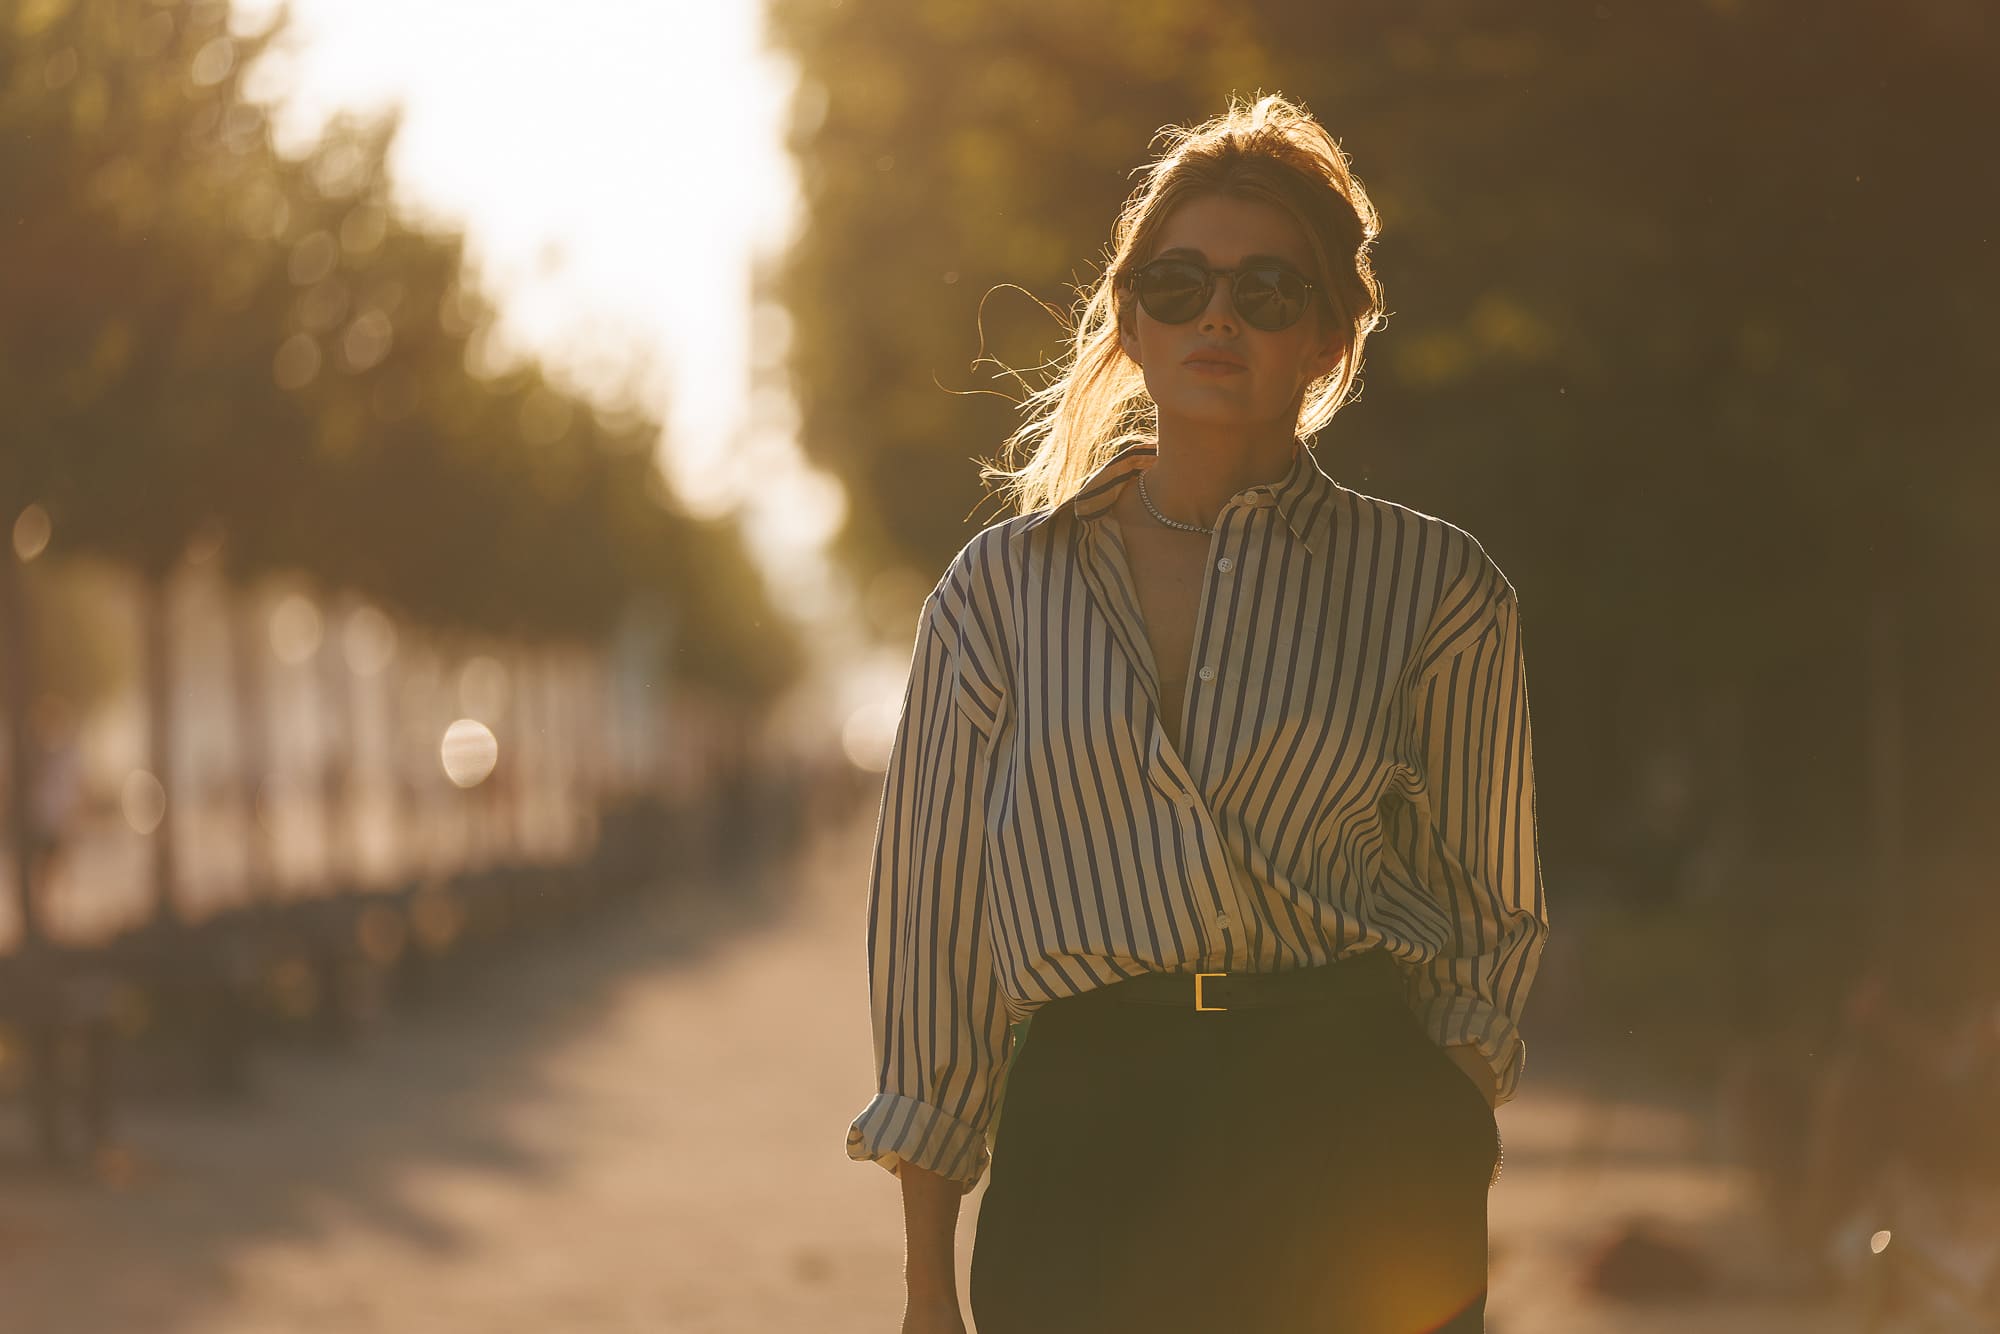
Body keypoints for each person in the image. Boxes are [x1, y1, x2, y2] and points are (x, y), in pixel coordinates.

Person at [847, 91, 1550, 1333]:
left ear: (1330, 338)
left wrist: (1433, 1130)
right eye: (1178, 283)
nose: (1218, 312)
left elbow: (1486, 912)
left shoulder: (1438, 590)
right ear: (1128, 316)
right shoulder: (997, 593)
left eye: (1268, 289)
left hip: (1353, 1145)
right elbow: (933, 935)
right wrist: (922, 1285)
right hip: (1079, 1151)